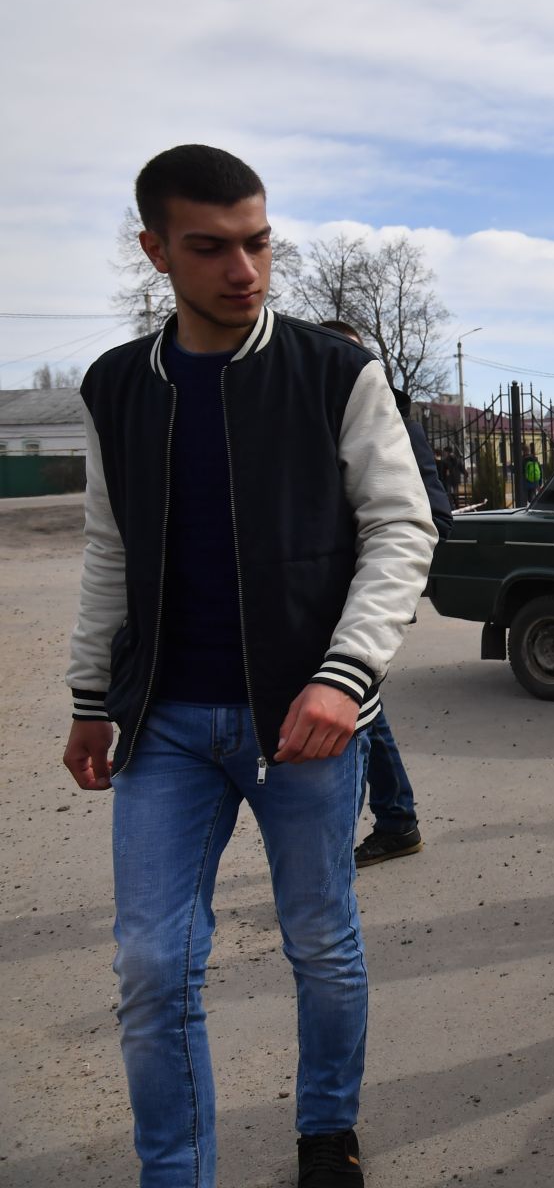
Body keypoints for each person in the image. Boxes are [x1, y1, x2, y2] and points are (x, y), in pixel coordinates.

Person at [61, 145, 437, 1188]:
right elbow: (109, 547)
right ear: (156, 250)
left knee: (319, 940)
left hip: (300, 721)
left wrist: (343, 675)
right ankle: (174, 1171)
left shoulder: (335, 370)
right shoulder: (115, 386)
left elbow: (403, 531)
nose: (245, 268)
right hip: (165, 723)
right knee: (150, 965)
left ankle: (326, 1130)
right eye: (212, 246)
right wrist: (93, 696)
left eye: (260, 241)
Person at [318, 319, 454, 868]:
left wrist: (377, 566)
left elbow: (432, 515)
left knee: (357, 706)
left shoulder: (396, 424)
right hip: (320, 599)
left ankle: (393, 821)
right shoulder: (310, 420)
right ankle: (398, 820)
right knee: (366, 707)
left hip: (367, 601)